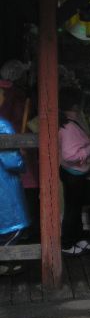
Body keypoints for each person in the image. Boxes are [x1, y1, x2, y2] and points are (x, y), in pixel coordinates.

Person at [58, 87, 90, 255]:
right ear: (75, 106)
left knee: (76, 207)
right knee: (72, 209)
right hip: (73, 173)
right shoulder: (68, 127)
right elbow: (69, 155)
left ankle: (77, 238)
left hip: (74, 172)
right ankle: (67, 243)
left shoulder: (69, 122)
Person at [0, 79, 30, 276]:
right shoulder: (2, 125)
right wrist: (22, 158)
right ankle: (4, 261)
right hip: (4, 184)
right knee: (11, 226)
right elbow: (12, 161)